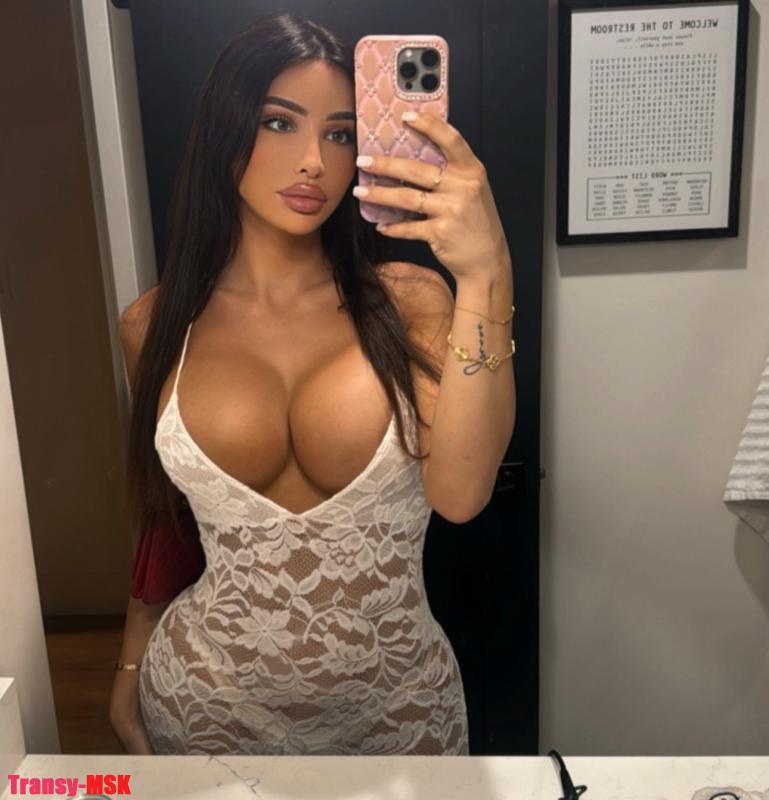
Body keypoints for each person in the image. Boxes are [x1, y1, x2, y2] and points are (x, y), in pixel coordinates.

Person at [109, 11, 515, 756]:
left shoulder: (413, 303)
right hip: (204, 704)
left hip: (397, 716)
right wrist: (130, 664)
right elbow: (168, 520)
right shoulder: (154, 324)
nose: (312, 162)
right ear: (225, 128)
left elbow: (461, 495)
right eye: (278, 122)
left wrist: (487, 272)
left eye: (339, 134)